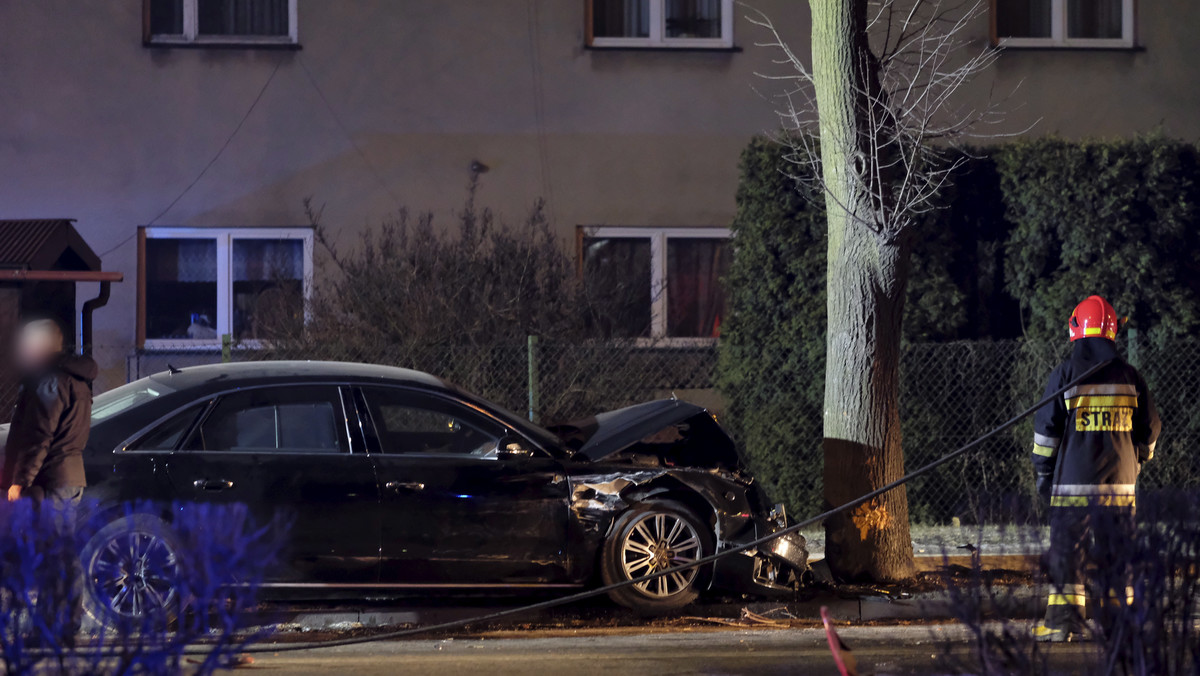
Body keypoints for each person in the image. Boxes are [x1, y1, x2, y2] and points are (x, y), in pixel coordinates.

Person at [1030, 296, 1161, 642]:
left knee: (1067, 554)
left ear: (1076, 330)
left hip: (1073, 487)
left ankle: (1062, 624)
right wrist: (1139, 459)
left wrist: (1044, 474)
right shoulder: (1131, 377)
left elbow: (1046, 432)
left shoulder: (1066, 374)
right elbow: (1150, 429)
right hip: (1120, 488)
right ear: (1112, 332)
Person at [3, 317, 97, 644]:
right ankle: (64, 626)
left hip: (52, 479)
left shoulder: (51, 381)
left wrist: (19, 480)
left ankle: (49, 629)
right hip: (69, 477)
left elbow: (39, 436)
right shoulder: (77, 379)